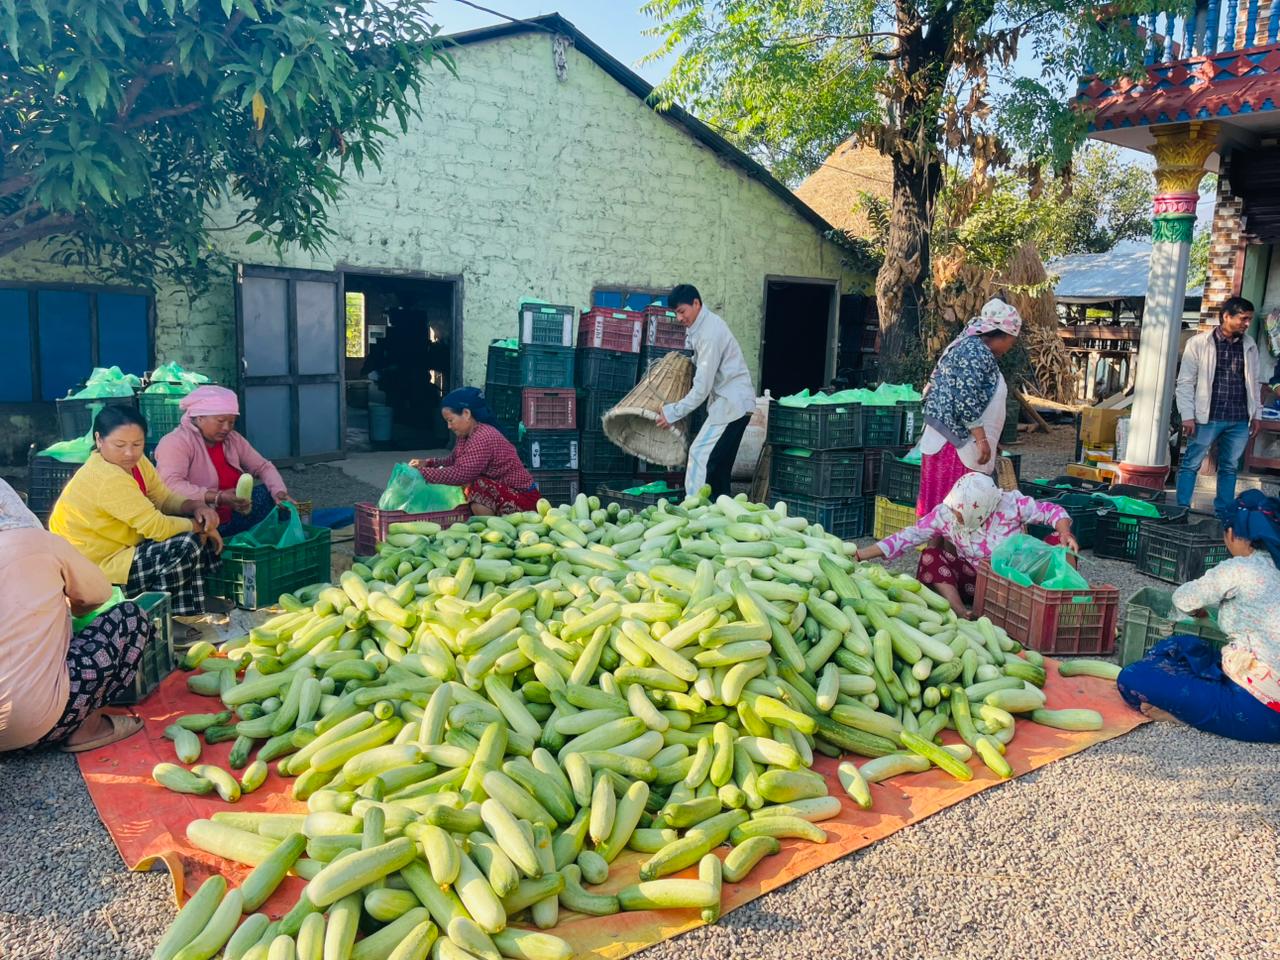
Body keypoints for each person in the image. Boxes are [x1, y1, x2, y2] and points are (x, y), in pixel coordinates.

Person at [0, 479, 152, 753]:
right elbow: (99, 593)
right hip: (38, 727)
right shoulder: (39, 542)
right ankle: (88, 728)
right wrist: (71, 608)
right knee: (130, 618)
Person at [48, 406, 224, 640]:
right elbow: (157, 527)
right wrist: (201, 526)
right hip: (98, 569)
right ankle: (162, 620)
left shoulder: (136, 464)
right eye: (120, 445)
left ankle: (194, 597)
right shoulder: (106, 477)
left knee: (192, 526)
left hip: (124, 548)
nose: (130, 453)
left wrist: (196, 507)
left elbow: (162, 497)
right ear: (99, 440)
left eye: (137, 444)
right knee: (185, 542)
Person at [1116, 491, 1280, 742]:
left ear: (1231, 534)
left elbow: (1183, 598)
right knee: (1183, 647)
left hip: (1261, 711)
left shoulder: (1241, 569)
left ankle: (1182, 715)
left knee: (1133, 677)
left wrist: (1195, 610)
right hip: (1261, 685)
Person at [854, 472, 1078, 617]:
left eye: (961, 514)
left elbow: (1052, 511)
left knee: (1059, 547)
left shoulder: (1011, 504)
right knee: (931, 557)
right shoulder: (945, 513)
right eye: (955, 511)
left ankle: (1063, 606)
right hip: (975, 580)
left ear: (981, 509)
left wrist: (1064, 532)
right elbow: (908, 536)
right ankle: (960, 611)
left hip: (1016, 576)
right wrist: (862, 554)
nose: (955, 517)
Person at [917, 299, 1022, 516]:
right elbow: (965, 399)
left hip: (955, 440)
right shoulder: (974, 351)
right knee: (955, 508)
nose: (1010, 347)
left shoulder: (974, 349)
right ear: (999, 334)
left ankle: (938, 550)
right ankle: (941, 550)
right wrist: (982, 439)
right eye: (1011, 341)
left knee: (950, 511)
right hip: (955, 443)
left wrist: (992, 439)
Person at [655, 284, 757, 499]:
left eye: (682, 311)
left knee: (699, 454)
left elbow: (702, 388)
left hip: (731, 404)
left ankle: (692, 510)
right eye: (676, 313)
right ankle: (720, 512)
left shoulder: (709, 333)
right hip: (736, 402)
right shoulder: (703, 328)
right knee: (719, 465)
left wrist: (672, 412)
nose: (680, 318)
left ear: (696, 304)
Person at [154, 385, 294, 537]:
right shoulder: (175, 442)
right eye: (220, 421)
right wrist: (217, 497)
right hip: (202, 520)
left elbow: (262, 466)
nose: (227, 428)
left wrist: (279, 491)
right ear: (200, 417)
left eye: (232, 422)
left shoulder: (233, 439)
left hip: (235, 512)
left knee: (275, 501)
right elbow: (170, 485)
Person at [1174, 296, 1262, 517]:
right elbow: (1185, 382)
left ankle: (1223, 513)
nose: (1246, 324)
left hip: (1239, 417)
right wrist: (1187, 415)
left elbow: (1255, 383)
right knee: (1191, 463)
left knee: (1229, 467)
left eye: (1249, 319)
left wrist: (1257, 414)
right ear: (1226, 316)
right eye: (1243, 318)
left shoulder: (1250, 345)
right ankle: (1181, 509)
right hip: (1207, 416)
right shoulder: (1199, 343)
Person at [410, 387, 540, 515]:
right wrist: (428, 463)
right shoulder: (466, 435)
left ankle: (491, 528)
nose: (449, 426)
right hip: (505, 493)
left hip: (525, 500)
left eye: (451, 420)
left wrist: (422, 474)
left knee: (478, 485)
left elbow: (462, 473)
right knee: (470, 485)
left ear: (466, 414)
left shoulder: (483, 436)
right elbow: (453, 459)